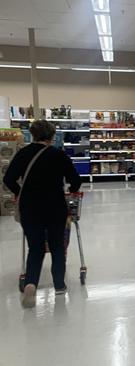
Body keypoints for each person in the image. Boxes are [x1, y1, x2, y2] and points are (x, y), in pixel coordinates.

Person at [3, 120, 81, 308]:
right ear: (52, 135)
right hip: (55, 206)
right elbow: (75, 180)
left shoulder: (23, 153)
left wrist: (19, 192)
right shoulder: (58, 155)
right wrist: (70, 190)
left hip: (30, 208)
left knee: (35, 248)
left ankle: (31, 284)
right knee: (57, 246)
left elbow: (8, 179)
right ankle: (59, 285)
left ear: (33, 135)